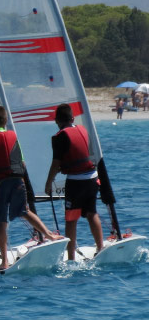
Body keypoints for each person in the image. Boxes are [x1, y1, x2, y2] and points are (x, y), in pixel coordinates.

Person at [0, 106, 61, 271]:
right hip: (18, 180)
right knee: (25, 211)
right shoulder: (13, 136)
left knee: (1, 222)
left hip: (1, 183)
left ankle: (5, 261)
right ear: (5, 121)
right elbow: (23, 163)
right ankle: (49, 235)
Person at [44, 104, 104, 260]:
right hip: (92, 178)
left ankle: (71, 257)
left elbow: (56, 163)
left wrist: (48, 183)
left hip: (76, 182)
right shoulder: (82, 130)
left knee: (71, 219)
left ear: (57, 120)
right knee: (92, 213)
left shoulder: (60, 136)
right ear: (72, 118)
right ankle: (100, 247)